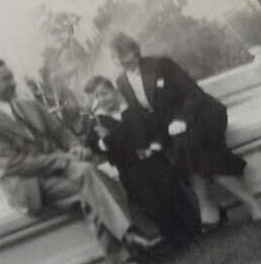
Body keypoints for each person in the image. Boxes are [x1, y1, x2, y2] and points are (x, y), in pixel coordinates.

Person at [0, 58, 160, 264]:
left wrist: (75, 147)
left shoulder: (28, 105)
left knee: (90, 186)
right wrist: (63, 159)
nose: (13, 82)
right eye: (5, 79)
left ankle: (123, 257)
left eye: (11, 76)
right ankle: (131, 235)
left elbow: (60, 131)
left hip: (64, 171)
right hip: (31, 183)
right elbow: (12, 164)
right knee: (91, 179)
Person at [110, 33, 261, 227]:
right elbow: (141, 114)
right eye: (117, 58)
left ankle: (212, 208)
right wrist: (152, 141)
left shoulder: (161, 64)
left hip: (200, 115)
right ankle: (246, 205)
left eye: (125, 55)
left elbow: (193, 93)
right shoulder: (122, 82)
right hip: (170, 130)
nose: (122, 61)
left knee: (190, 148)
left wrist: (182, 119)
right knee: (187, 151)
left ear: (135, 50)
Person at [83, 76, 200, 249]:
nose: (103, 100)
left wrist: (156, 145)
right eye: (97, 97)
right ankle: (173, 237)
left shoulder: (133, 111)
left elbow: (157, 129)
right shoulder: (98, 124)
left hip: (154, 160)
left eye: (105, 94)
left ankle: (192, 230)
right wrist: (104, 140)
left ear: (114, 91)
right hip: (131, 169)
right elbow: (96, 147)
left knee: (171, 192)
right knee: (151, 202)